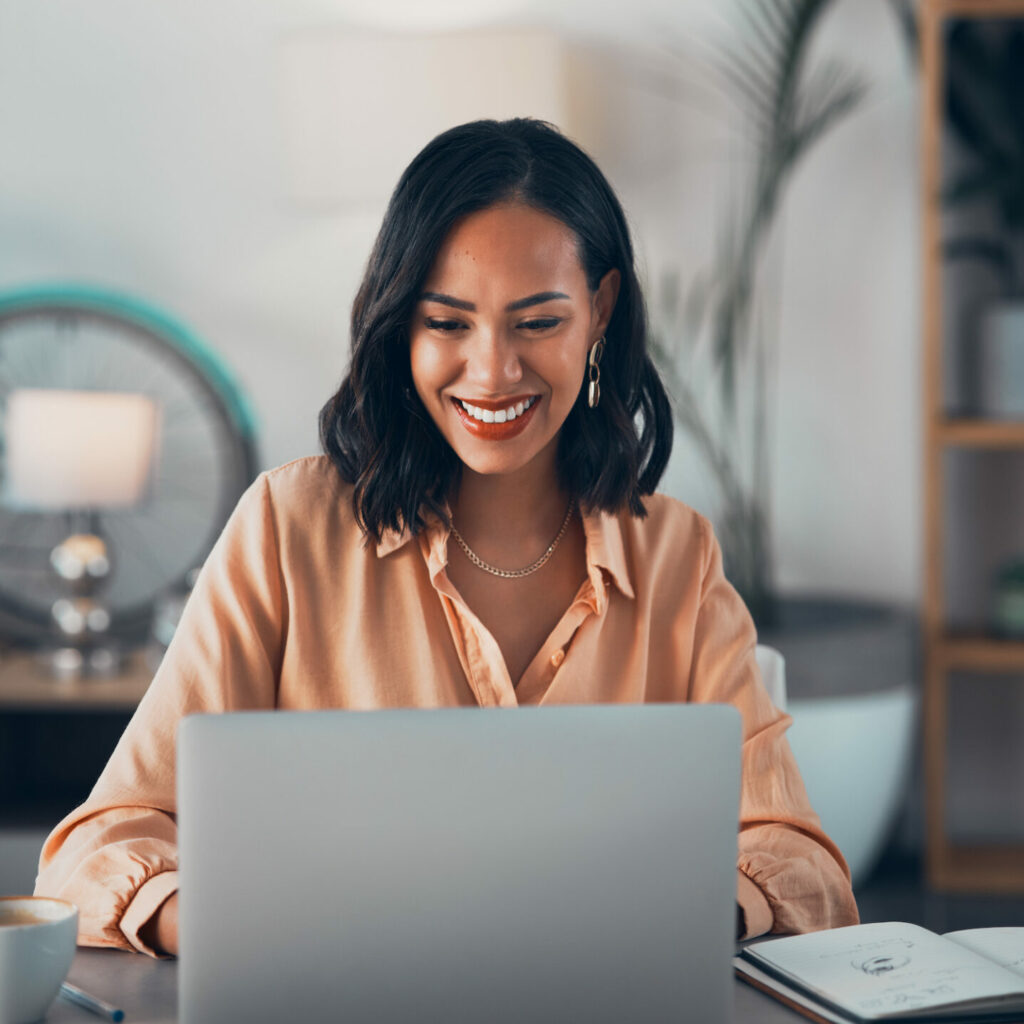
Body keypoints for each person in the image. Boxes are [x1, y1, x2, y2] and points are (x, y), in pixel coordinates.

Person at [34, 118, 859, 957]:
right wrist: (229, 924)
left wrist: (677, 915)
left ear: (600, 312)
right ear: (400, 326)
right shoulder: (285, 530)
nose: (493, 370)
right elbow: (96, 850)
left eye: (537, 322)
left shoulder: (678, 557)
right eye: (448, 323)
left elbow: (799, 861)